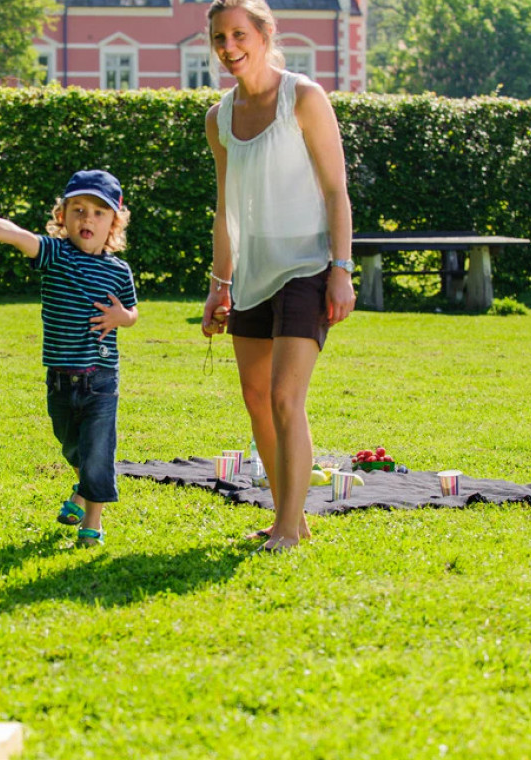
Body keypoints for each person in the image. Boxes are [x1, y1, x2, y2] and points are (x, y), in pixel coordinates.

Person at [201, 0, 357, 553]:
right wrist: (220, 286)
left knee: (287, 397)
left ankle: (290, 528)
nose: (229, 48)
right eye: (219, 38)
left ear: (265, 34)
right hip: (252, 273)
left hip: (307, 266)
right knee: (255, 396)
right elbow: (226, 209)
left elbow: (336, 191)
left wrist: (341, 270)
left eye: (239, 34)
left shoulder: (304, 97)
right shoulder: (218, 117)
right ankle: (287, 516)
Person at [0, 170, 139, 547]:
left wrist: (122, 317)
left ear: (114, 223)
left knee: (97, 451)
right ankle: (81, 487)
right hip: (60, 377)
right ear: (63, 216)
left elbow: (132, 313)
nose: (87, 219)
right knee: (71, 446)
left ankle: (92, 522)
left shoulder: (119, 270)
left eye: (98, 213)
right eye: (78, 210)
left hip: (102, 379)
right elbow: (17, 235)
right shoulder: (55, 254)